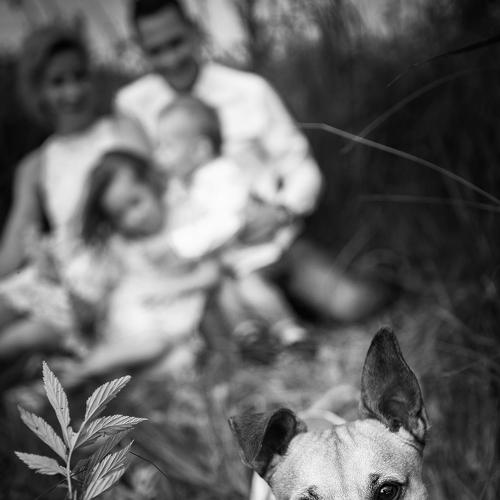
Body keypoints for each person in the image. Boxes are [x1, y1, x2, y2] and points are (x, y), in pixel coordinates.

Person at [116, 0, 389, 325]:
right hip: (205, 263)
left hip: (272, 243)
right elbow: (140, 186)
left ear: (195, 32)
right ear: (141, 50)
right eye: (156, 50)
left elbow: (301, 167)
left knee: (352, 304)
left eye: (176, 43)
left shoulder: (248, 90)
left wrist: (281, 211)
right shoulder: (132, 106)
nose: (170, 59)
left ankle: (381, 274)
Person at [0, 24, 149, 360]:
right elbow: (13, 249)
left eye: (79, 76)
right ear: (39, 91)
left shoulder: (121, 129)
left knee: (22, 338)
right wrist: (39, 254)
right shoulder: (35, 165)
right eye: (58, 82)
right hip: (59, 271)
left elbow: (150, 198)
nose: (73, 91)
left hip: (110, 270)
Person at [157, 95, 309, 349]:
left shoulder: (221, 176)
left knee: (252, 289)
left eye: (167, 147)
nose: (159, 155)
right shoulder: (191, 182)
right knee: (226, 293)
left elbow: (227, 221)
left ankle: (290, 332)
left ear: (200, 150)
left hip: (257, 254)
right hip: (233, 261)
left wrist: (181, 244)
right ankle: (250, 336)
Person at [59, 149, 220, 386]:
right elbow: (101, 287)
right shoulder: (122, 243)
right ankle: (91, 367)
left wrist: (172, 288)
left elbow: (211, 273)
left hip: (171, 313)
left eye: (136, 202)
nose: (134, 218)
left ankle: (96, 373)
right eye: (120, 215)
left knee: (179, 361)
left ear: (152, 183)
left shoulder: (185, 219)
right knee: (155, 346)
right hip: (138, 318)